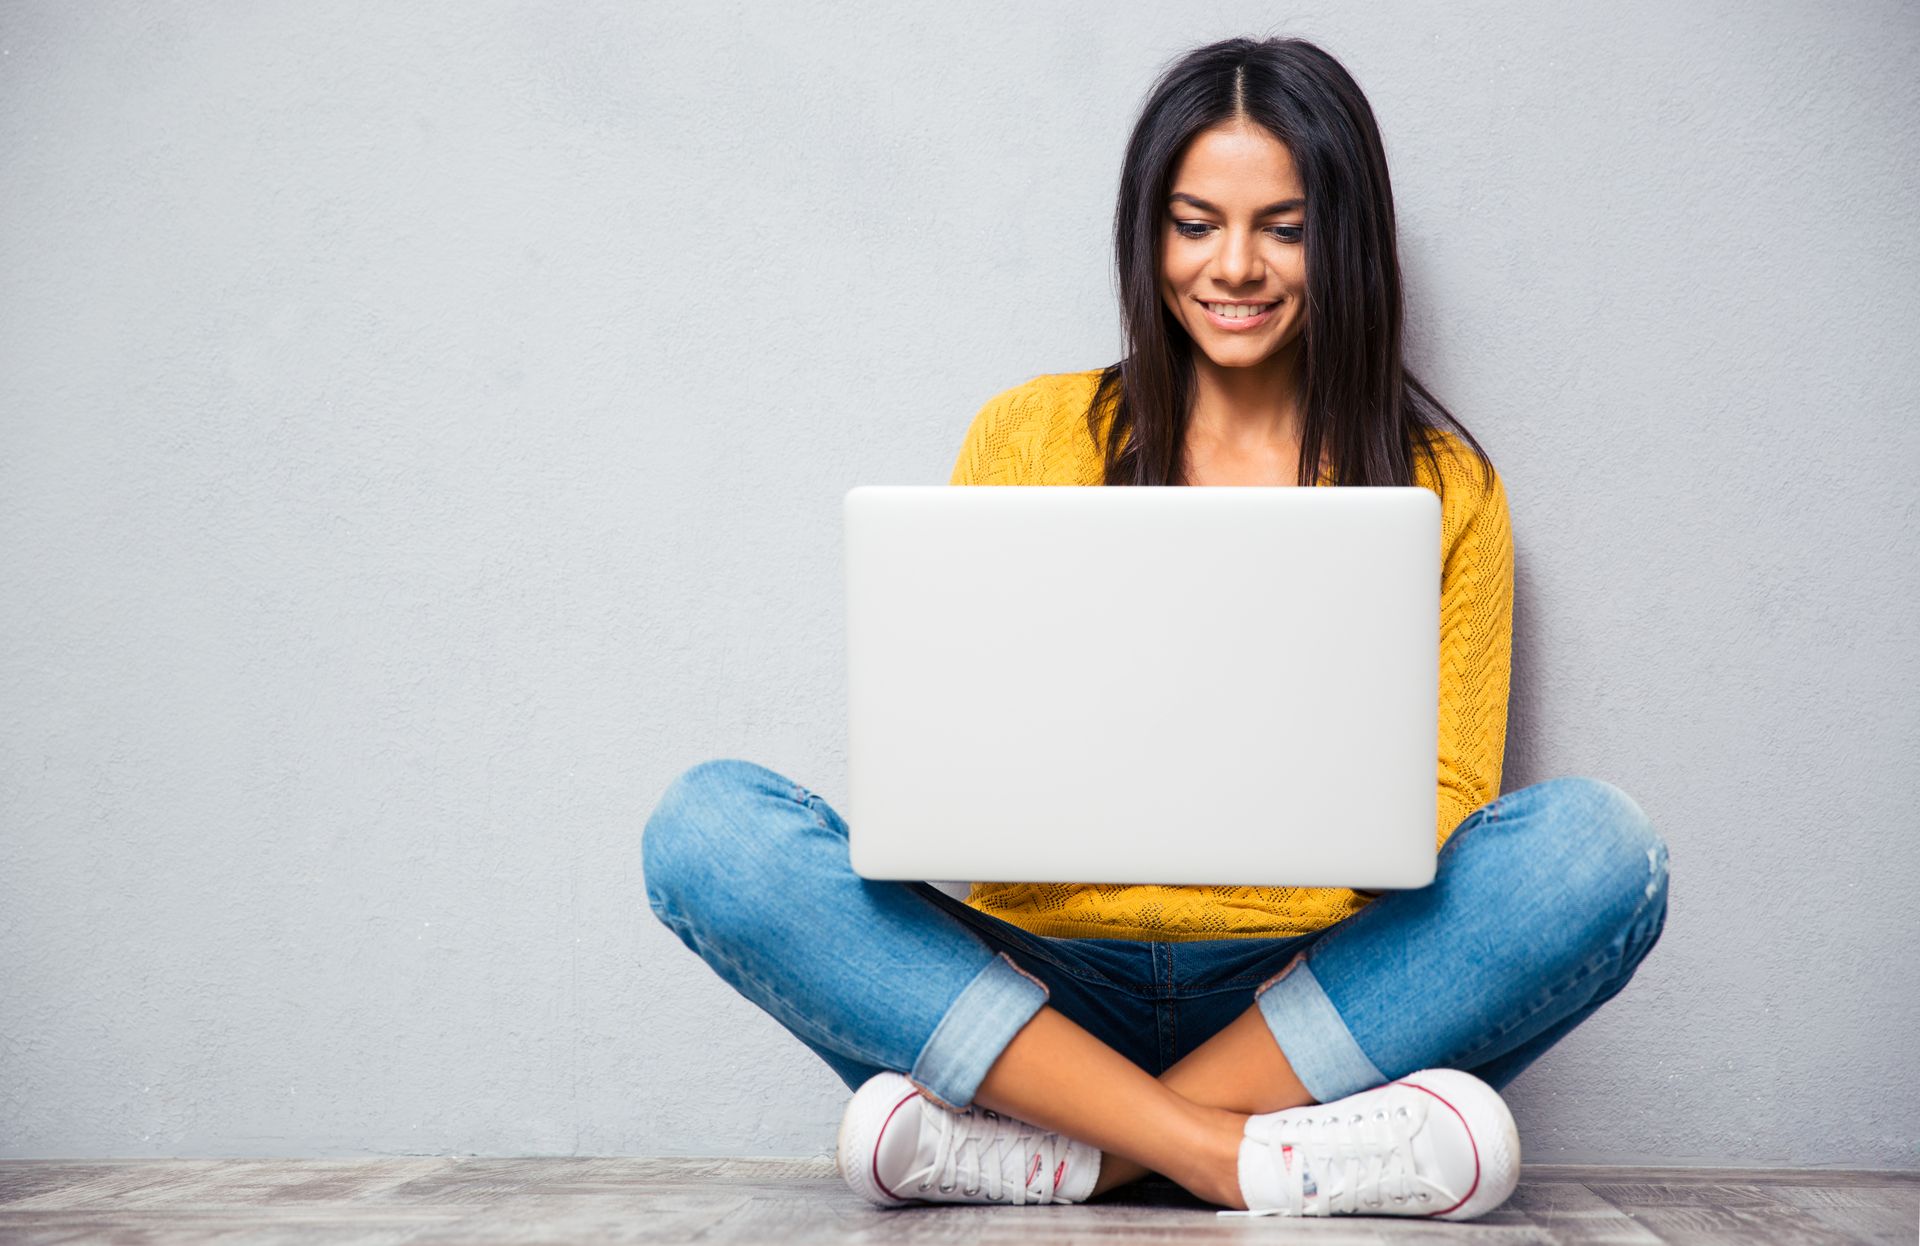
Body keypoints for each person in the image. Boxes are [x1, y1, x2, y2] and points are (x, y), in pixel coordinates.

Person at [641, 34, 1669, 1222]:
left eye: (1284, 226)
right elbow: (955, 763)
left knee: (1601, 851)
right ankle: (1235, 1156)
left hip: (1308, 996)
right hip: (1038, 987)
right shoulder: (1030, 437)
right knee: (709, 831)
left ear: (1344, 239)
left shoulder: (1445, 486)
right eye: (1196, 223)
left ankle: (1073, 1149)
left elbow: (1443, 807)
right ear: (1149, 232)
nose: (1236, 266)